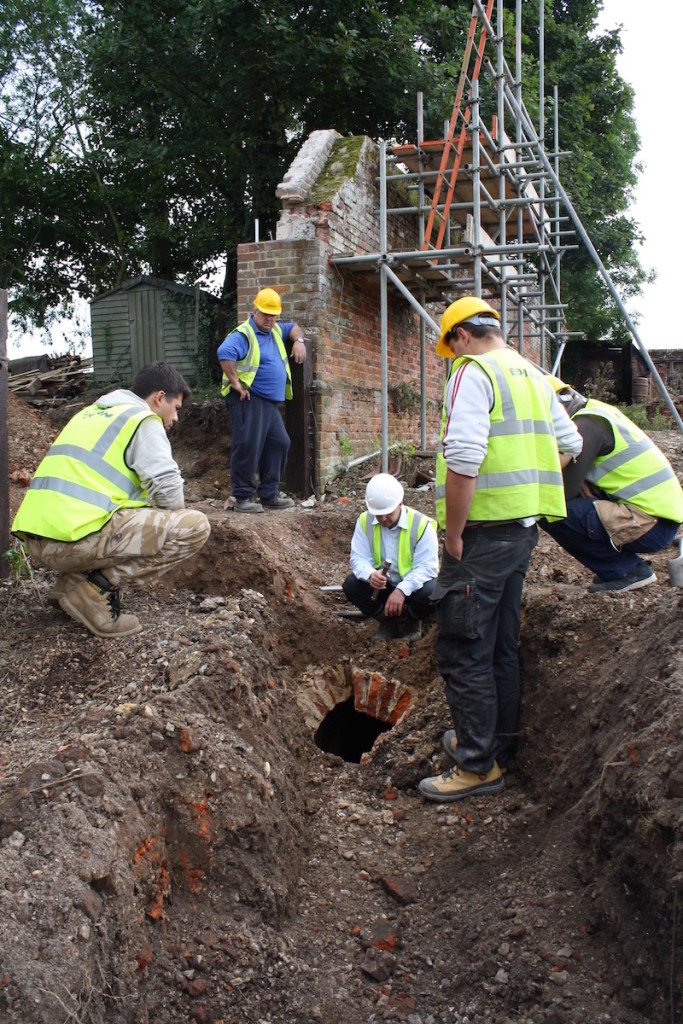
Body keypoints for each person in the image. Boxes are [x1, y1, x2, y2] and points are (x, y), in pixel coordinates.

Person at [418, 296, 583, 803]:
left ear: (462, 336)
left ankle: (476, 764)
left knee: (464, 647)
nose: (451, 357)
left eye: (451, 348)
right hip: (522, 532)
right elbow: (571, 442)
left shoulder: (473, 372)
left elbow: (464, 456)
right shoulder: (532, 373)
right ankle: (495, 746)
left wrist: (452, 535)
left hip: (482, 535)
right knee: (499, 646)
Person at [11, 362, 211, 638]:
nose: (175, 418)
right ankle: (94, 591)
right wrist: (170, 522)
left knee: (119, 517)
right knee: (194, 527)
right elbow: (168, 489)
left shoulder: (89, 414)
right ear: (160, 398)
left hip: (38, 540)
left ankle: (72, 582)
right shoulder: (143, 420)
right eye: (175, 408)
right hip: (72, 540)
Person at [541, 378, 683, 592]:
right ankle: (622, 568)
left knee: (549, 511)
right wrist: (582, 479)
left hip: (651, 524)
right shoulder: (597, 412)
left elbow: (562, 493)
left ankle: (626, 571)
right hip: (660, 518)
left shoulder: (584, 426)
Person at [217, 287, 307, 514]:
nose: (270, 319)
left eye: (274, 315)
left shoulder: (276, 330)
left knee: (280, 442)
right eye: (266, 314)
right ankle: (243, 497)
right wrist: (236, 383)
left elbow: (295, 327)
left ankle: (269, 494)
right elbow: (224, 353)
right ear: (254, 310)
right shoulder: (244, 334)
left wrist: (299, 341)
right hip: (248, 399)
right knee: (248, 445)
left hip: (269, 403)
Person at [342, 473, 439, 645]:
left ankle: (411, 620)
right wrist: (371, 574)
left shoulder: (421, 525)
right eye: (378, 515)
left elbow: (427, 567)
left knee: (432, 591)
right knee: (351, 585)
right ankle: (387, 621)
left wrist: (402, 590)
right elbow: (358, 558)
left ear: (400, 503)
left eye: (387, 513)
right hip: (383, 588)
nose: (382, 519)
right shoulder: (365, 521)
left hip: (413, 590)